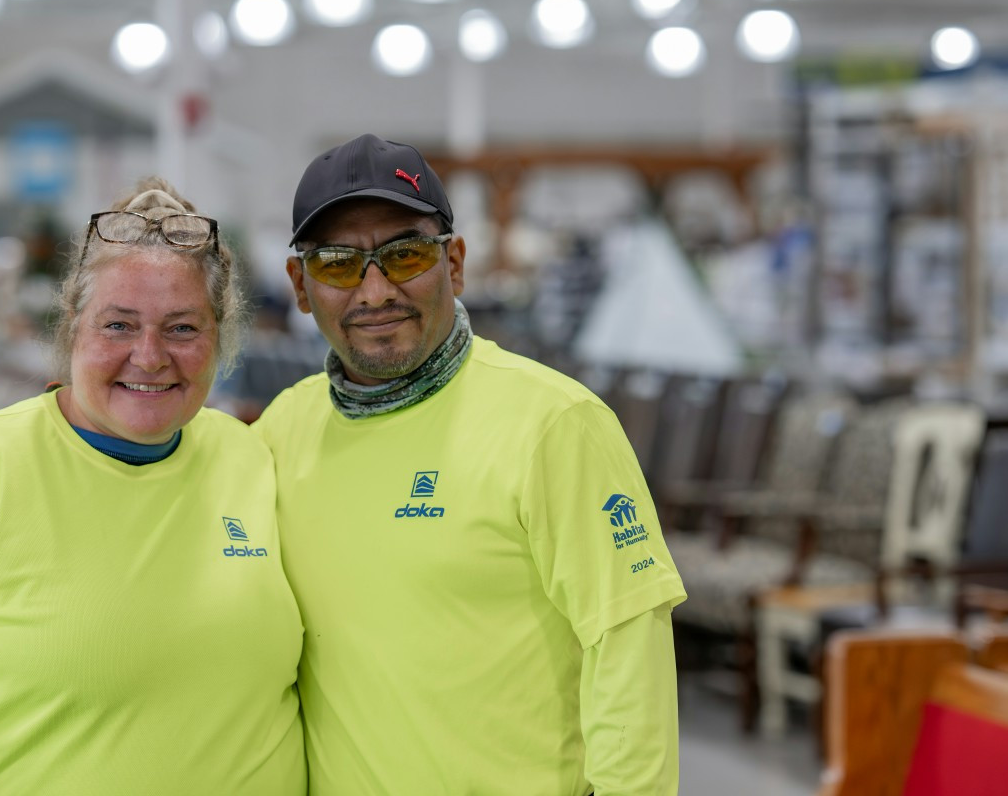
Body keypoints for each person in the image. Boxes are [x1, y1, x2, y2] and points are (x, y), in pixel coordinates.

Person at [0, 179, 305, 795]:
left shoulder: (252, 458)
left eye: (182, 328)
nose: (149, 356)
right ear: (73, 325)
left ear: (220, 335)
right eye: (119, 325)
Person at [254, 135, 686, 796]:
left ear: (454, 264)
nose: (375, 290)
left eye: (404, 255)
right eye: (340, 265)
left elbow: (628, 651)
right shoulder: (284, 429)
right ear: (301, 287)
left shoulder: (554, 424)